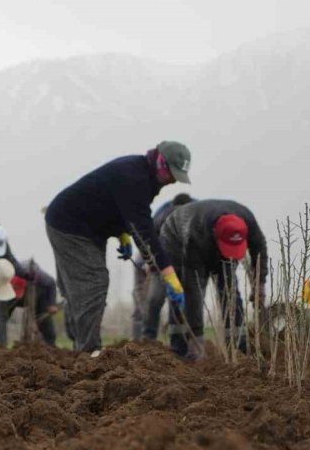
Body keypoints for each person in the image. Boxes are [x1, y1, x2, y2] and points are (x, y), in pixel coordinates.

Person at [45, 141, 192, 355]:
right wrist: (170, 276)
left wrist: (122, 234)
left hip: (88, 228)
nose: (172, 182)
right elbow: (145, 232)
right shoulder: (134, 177)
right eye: (172, 175)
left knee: (81, 290)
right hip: (70, 227)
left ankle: (81, 346)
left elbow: (120, 209)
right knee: (94, 283)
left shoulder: (144, 176)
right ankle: (88, 351)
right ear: (161, 163)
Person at [159, 199, 268, 359]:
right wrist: (197, 339)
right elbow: (193, 289)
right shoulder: (195, 235)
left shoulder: (247, 221)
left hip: (211, 238)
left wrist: (259, 284)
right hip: (176, 237)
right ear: (215, 236)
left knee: (230, 292)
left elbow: (260, 250)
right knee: (183, 294)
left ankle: (238, 345)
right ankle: (182, 347)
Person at [131, 192, 196, 340]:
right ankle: (147, 339)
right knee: (154, 299)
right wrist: (150, 264)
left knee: (178, 301)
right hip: (157, 260)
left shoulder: (197, 215)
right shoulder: (162, 218)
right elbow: (150, 244)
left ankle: (178, 343)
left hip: (182, 262)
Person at [0, 259, 60, 347]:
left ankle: (50, 346)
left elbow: (51, 283)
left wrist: (52, 304)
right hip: (10, 295)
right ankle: (0, 344)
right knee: (1, 316)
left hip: (36, 294)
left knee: (45, 321)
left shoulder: (40, 277)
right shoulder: (7, 275)